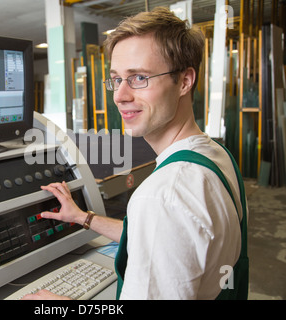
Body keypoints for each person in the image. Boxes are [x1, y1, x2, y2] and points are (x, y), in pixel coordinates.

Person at [23, 6, 248, 300]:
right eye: (116, 79)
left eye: (139, 77)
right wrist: (83, 217)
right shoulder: (215, 155)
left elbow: (162, 217)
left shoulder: (165, 194)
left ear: (184, 81)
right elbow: (162, 238)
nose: (119, 95)